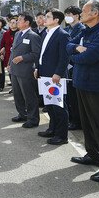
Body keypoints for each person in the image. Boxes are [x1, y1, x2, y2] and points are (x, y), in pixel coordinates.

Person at [67, 0, 99, 183]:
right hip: (82, 83)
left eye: (84, 11)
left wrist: (76, 54)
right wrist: (76, 50)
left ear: (95, 13)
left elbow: (89, 57)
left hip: (98, 87)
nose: (81, 13)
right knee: (88, 124)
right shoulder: (84, 31)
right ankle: (93, 155)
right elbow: (68, 46)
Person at [35, 9, 70, 145]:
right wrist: (37, 68)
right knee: (49, 104)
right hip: (44, 74)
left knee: (59, 106)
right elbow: (42, 53)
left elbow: (64, 57)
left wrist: (58, 73)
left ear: (56, 20)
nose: (45, 19)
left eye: (48, 17)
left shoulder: (63, 35)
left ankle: (62, 136)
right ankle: (52, 129)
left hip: (55, 76)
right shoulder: (46, 32)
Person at [9, 13, 41, 128]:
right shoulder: (17, 34)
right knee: (17, 95)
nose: (17, 22)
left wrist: (23, 58)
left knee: (29, 96)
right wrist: (9, 64)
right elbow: (13, 51)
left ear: (27, 22)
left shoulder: (33, 36)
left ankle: (33, 119)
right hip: (15, 69)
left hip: (26, 70)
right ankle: (22, 114)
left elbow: (36, 54)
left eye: (19, 20)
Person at [64, 5, 85, 130]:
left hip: (75, 65)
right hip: (67, 64)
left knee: (74, 96)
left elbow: (75, 47)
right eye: (66, 15)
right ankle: (71, 118)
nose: (67, 18)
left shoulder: (81, 29)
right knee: (69, 95)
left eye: (69, 15)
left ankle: (76, 121)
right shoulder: (67, 29)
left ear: (77, 16)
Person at [1, 16, 18, 92]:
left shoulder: (20, 33)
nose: (11, 24)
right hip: (8, 56)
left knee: (17, 73)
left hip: (17, 56)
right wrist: (1, 53)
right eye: (10, 22)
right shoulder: (6, 34)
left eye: (14, 22)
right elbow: (2, 44)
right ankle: (14, 87)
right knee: (10, 71)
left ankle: (17, 87)